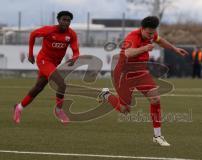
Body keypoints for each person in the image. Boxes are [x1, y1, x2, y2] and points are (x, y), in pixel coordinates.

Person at [98, 16, 188, 146]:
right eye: (149, 33)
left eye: (153, 33)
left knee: (155, 99)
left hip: (140, 71)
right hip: (124, 73)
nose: (151, 35)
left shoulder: (151, 34)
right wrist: (145, 49)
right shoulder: (132, 37)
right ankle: (106, 95)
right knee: (124, 110)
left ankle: (157, 135)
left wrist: (174, 49)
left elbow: (160, 40)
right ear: (142, 29)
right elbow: (128, 53)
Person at [13, 11, 80, 124]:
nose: (66, 22)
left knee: (38, 87)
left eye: (68, 20)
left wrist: (75, 57)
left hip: (54, 63)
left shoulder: (71, 34)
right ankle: (59, 110)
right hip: (44, 60)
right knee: (61, 84)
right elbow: (33, 34)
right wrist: (30, 54)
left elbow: (76, 51)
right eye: (64, 19)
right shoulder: (49, 30)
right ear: (58, 20)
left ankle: (18, 107)